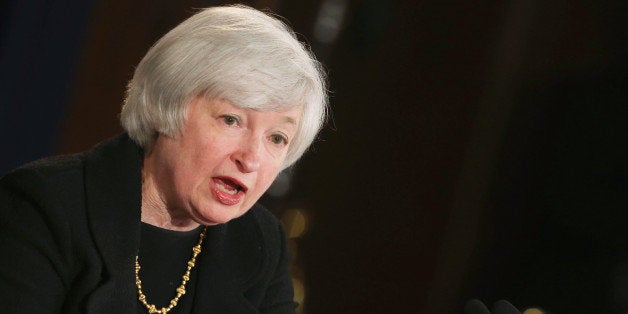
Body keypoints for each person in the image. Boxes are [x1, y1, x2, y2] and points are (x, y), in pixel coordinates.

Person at [0, 4, 327, 314]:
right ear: (168, 103)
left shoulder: (260, 244)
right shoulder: (45, 207)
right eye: (232, 120)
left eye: (277, 138)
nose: (252, 159)